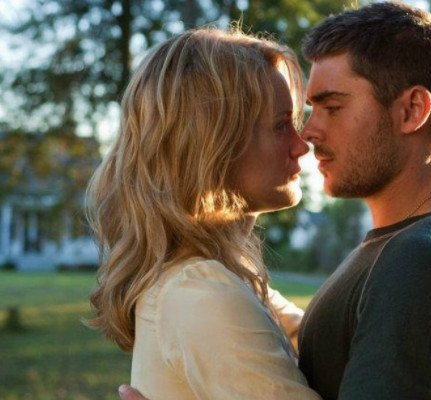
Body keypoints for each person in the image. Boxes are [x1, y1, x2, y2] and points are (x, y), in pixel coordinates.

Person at [119, 2, 431, 399]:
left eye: (333, 107)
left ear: (412, 110)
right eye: (304, 113)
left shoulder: (419, 260)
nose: (308, 133)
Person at [87, 28, 322, 399]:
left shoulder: (214, 280)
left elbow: (324, 344)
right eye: (281, 125)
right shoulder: (202, 293)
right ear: (214, 145)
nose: (301, 145)